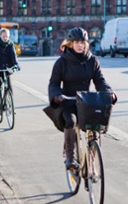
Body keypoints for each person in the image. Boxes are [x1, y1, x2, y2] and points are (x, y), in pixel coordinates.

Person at [47, 27, 117, 169]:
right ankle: (70, 158)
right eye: (77, 42)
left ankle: (91, 159)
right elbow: (54, 83)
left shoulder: (92, 61)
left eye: (83, 42)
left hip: (86, 102)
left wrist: (109, 92)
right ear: (70, 43)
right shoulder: (61, 62)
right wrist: (56, 96)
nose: (80, 45)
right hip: (67, 101)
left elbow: (100, 81)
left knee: (96, 126)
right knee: (71, 121)